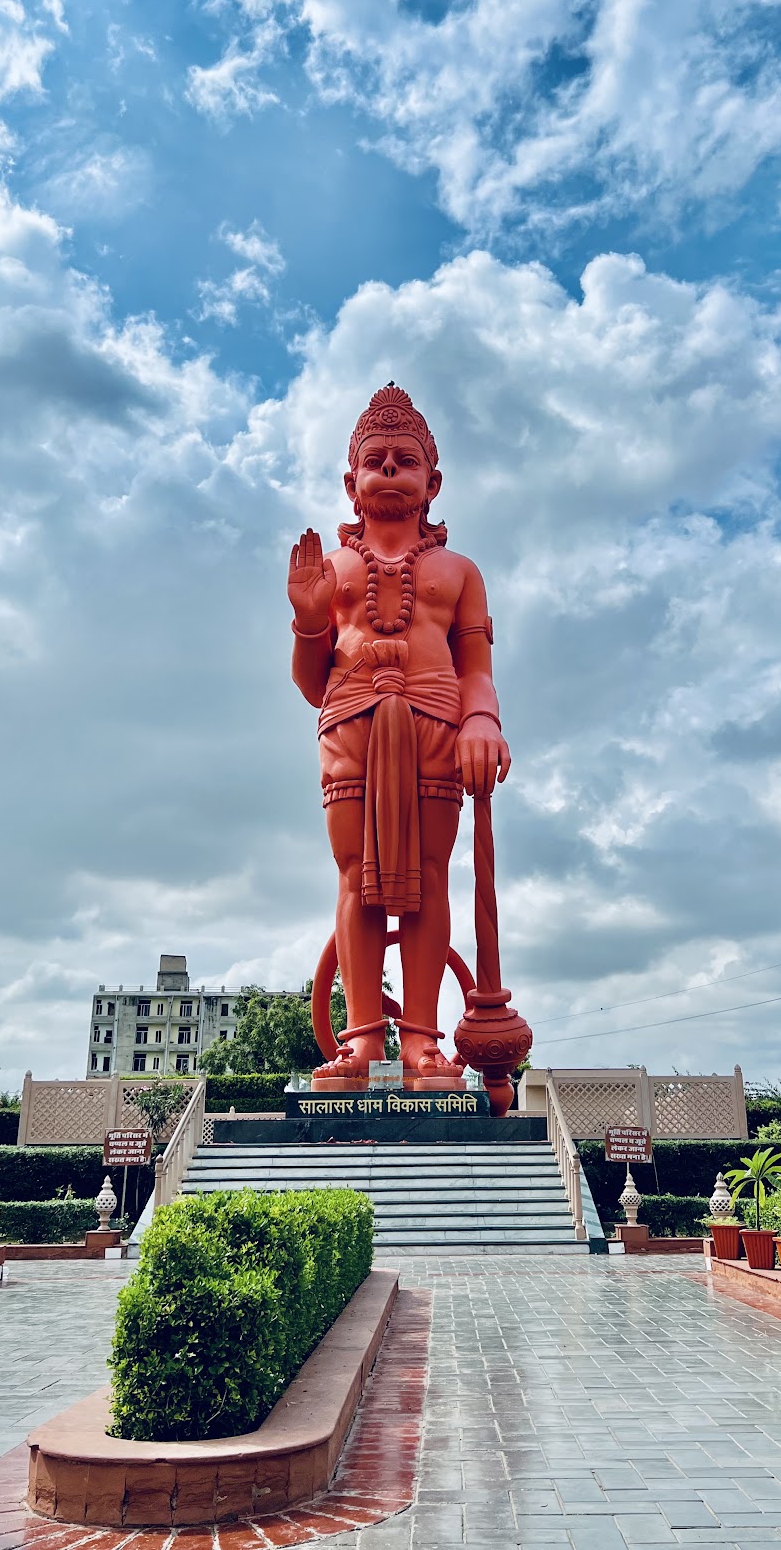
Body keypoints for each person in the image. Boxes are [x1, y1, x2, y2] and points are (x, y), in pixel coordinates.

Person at [288, 385, 510, 1086]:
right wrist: (308, 622)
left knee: (430, 878)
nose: (388, 468)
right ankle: (360, 1040)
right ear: (350, 482)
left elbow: (477, 668)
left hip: (437, 721)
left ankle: (419, 1039)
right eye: (374, 459)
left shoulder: (459, 572)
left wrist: (483, 719)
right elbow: (312, 682)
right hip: (351, 717)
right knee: (356, 876)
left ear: (432, 482)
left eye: (403, 459)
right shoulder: (334, 569)